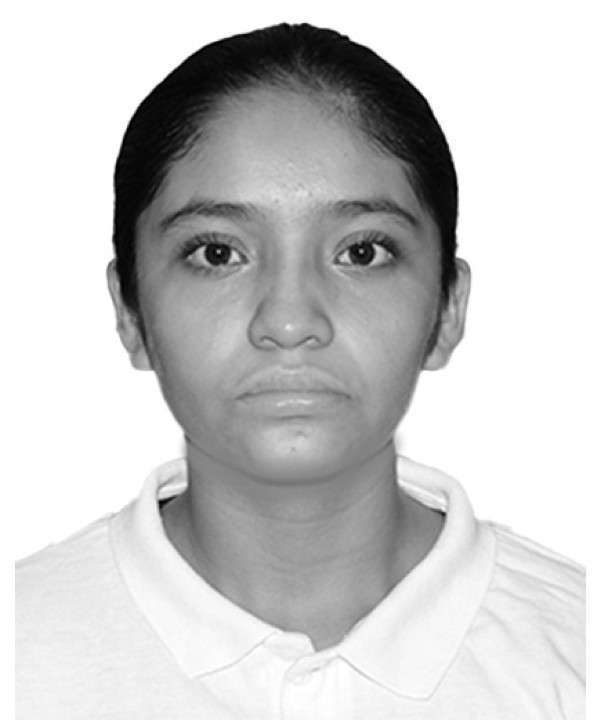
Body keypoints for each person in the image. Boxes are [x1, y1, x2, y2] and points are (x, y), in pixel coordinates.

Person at [16, 23, 585, 719]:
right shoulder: (23, 650)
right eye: (217, 253)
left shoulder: (574, 655)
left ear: (447, 309)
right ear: (129, 310)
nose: (289, 322)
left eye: (362, 252)